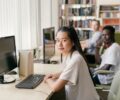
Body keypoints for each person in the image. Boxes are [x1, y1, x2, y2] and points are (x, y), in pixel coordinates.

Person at [43, 26, 99, 100]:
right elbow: (68, 71)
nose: (59, 44)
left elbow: (55, 88)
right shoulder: (71, 54)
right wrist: (56, 75)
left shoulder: (75, 59)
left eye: (64, 40)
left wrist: (47, 79)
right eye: (57, 40)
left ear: (72, 42)